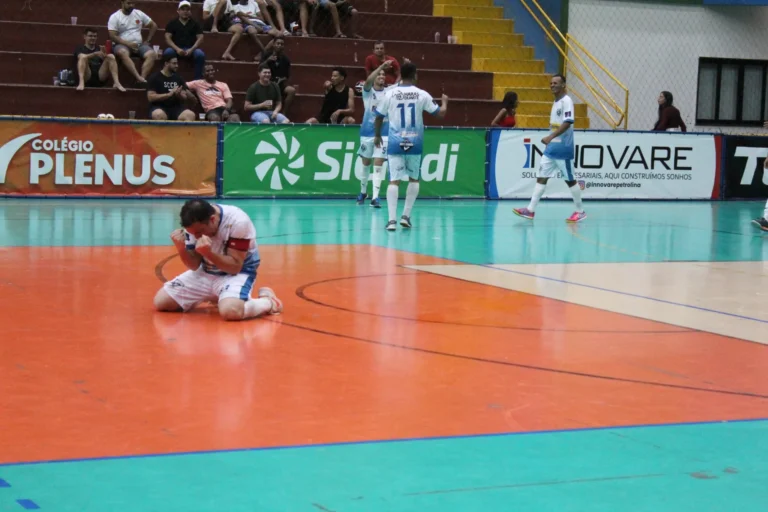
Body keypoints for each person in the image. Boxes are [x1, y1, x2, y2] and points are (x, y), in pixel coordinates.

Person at [153, 199, 283, 320]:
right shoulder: (194, 228)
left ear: (212, 219)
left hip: (237, 273)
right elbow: (194, 266)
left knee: (231, 311)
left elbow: (235, 267)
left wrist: (208, 253)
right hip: (206, 271)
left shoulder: (237, 222)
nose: (196, 236)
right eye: (193, 233)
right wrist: (181, 248)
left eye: (200, 231)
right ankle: (218, 296)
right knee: (162, 302)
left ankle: (268, 302)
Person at [373, 62, 448, 231]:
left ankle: (391, 221)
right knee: (414, 179)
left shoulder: (390, 94)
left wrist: (377, 135)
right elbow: (440, 114)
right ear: (414, 75)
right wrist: (444, 102)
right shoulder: (421, 94)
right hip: (415, 142)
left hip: (395, 141)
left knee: (394, 180)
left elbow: (378, 117)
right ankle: (405, 216)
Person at [513, 74, 585, 223]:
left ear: (563, 85)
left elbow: (568, 122)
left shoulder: (567, 101)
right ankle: (530, 210)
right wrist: (551, 141)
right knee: (541, 177)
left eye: (556, 83)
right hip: (551, 149)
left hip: (563, 149)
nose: (552, 85)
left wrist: (550, 137)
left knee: (570, 180)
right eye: (551, 83)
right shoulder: (556, 102)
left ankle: (580, 211)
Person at [356, 61, 393, 208]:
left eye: (384, 75)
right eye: (379, 74)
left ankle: (375, 197)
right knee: (366, 163)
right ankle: (363, 191)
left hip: (384, 132)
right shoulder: (368, 92)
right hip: (367, 132)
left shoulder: (389, 93)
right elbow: (368, 81)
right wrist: (381, 67)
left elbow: (404, 83)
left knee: (378, 164)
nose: (381, 76)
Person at [108, 0, 158, 84]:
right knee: (122, 52)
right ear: (122, 3)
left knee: (152, 54)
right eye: (128, 3)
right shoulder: (115, 16)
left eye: (133, 3)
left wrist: (148, 40)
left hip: (139, 45)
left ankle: (141, 79)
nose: (131, 5)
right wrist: (128, 44)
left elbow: (154, 25)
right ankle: (137, 76)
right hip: (122, 45)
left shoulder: (138, 13)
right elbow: (113, 36)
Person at [74, 27, 126, 92]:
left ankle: (117, 82)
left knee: (111, 56)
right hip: (87, 76)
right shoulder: (80, 48)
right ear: (85, 37)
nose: (93, 38)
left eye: (95, 36)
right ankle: (81, 82)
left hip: (100, 76)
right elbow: (80, 56)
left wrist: (105, 57)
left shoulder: (100, 48)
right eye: (90, 36)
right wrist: (94, 54)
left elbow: (110, 59)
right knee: (83, 58)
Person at [147, 55, 197, 121]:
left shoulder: (179, 78)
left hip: (176, 108)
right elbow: (150, 97)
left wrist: (178, 95)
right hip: (159, 107)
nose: (177, 66)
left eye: (177, 63)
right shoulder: (154, 77)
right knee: (158, 114)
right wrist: (168, 95)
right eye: (174, 63)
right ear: (166, 64)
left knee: (190, 115)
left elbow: (184, 96)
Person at [164, 1, 206, 80]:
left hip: (191, 48)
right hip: (176, 48)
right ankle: (170, 78)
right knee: (168, 52)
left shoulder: (195, 23)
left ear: (190, 11)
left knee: (200, 54)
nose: (185, 11)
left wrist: (192, 49)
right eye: (183, 9)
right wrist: (177, 49)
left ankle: (197, 81)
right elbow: (167, 38)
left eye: (187, 9)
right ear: (178, 11)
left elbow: (200, 38)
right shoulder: (172, 23)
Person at [260, 36, 297, 115]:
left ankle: (283, 113)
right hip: (268, 83)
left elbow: (286, 76)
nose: (279, 45)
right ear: (273, 44)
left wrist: (281, 80)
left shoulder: (285, 60)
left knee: (292, 90)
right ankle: (268, 112)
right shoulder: (266, 55)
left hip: (280, 83)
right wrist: (268, 61)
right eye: (278, 43)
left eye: (281, 44)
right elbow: (260, 68)